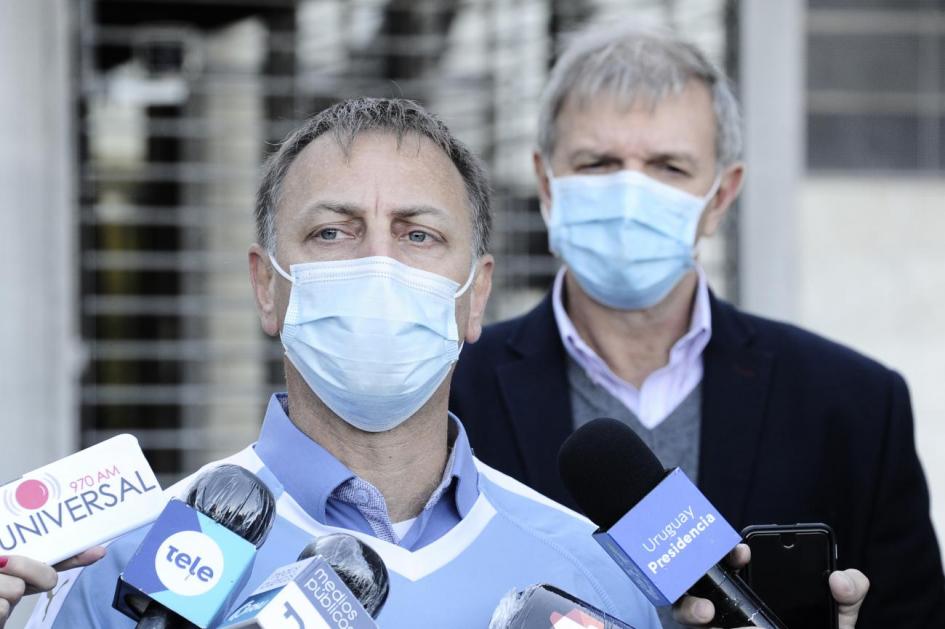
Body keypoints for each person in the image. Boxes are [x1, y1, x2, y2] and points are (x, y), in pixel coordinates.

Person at [18, 97, 657, 628]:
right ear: (266, 285)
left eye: (418, 235)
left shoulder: (593, 574)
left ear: (476, 295)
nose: (378, 266)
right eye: (332, 232)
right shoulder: (125, 567)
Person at [449, 24, 945, 629]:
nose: (631, 193)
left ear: (720, 196)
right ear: (547, 185)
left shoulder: (855, 406)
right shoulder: (453, 394)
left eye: (668, 167)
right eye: (598, 162)